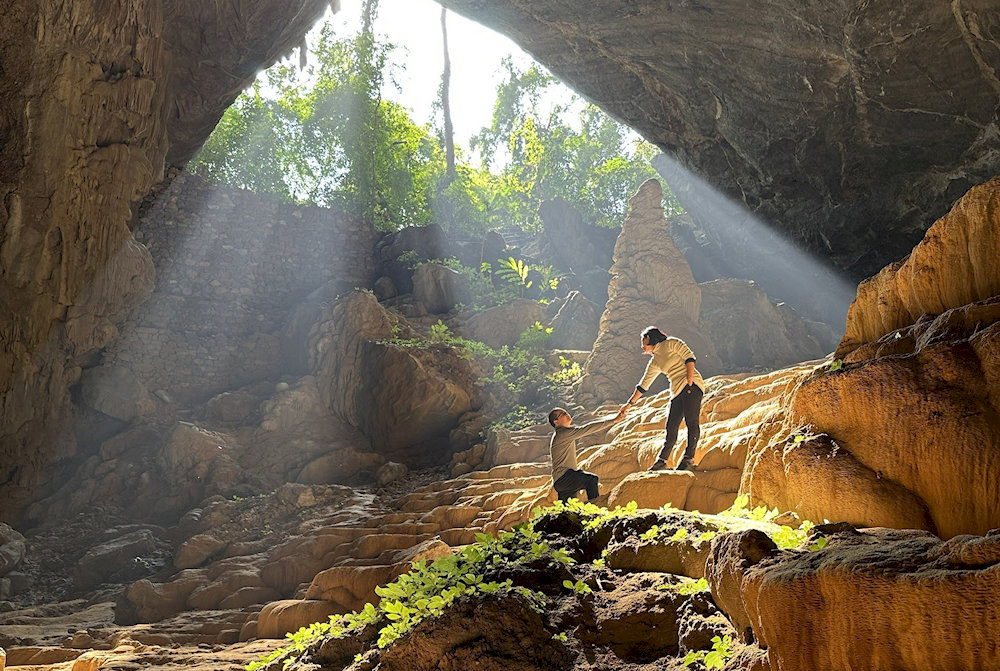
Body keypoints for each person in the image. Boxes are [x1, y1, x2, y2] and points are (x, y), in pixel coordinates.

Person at [620, 326, 705, 471]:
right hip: (677, 391)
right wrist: (628, 405)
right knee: (671, 426)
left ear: (649, 338)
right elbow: (643, 385)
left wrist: (689, 381)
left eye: (643, 341)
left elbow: (689, 357)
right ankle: (662, 461)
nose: (642, 346)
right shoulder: (655, 361)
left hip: (692, 385)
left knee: (691, 421)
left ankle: (688, 458)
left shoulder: (671, 343)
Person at [548, 406, 627, 502]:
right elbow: (587, 429)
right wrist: (613, 420)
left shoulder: (562, 434)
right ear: (556, 422)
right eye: (563, 414)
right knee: (591, 480)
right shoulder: (563, 433)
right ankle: (595, 508)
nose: (567, 414)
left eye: (566, 412)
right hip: (565, 477)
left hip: (561, 481)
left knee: (569, 510)